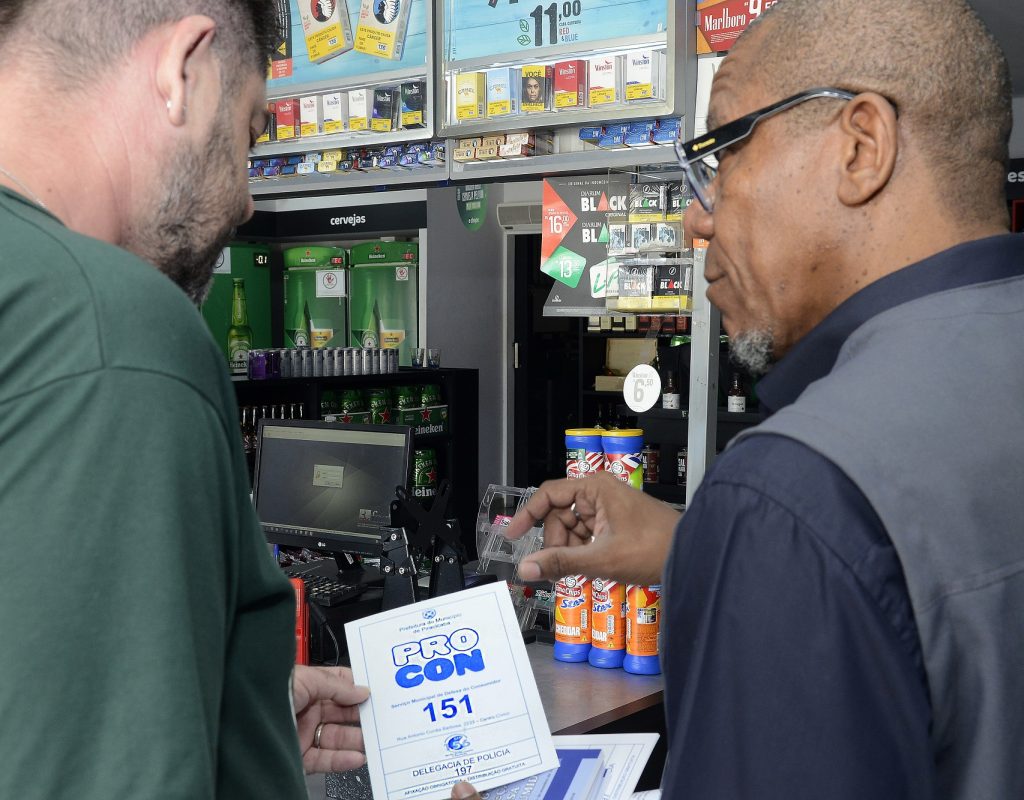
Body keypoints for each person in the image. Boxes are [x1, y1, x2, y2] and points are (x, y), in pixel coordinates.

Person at [453, 0, 1023, 798]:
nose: (695, 218)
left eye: (721, 154)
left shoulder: (790, 497)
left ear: (861, 147)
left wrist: (759, 537)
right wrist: (691, 548)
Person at [0, 1, 367, 796]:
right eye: (250, 133)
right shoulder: (109, 333)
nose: (246, 201)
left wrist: (227, 717)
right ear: (182, 72)